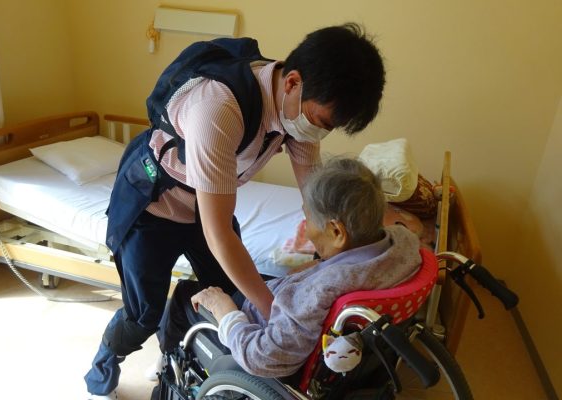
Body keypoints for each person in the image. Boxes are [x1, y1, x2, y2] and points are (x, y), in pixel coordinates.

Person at [85, 23, 385, 399]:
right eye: (322, 123)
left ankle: (173, 355)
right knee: (143, 314)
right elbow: (219, 235)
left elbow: (316, 198)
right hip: (153, 209)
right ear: (292, 82)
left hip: (206, 206)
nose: (319, 133)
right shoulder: (218, 108)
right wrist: (277, 312)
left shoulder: (297, 115)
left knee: (232, 293)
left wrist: (344, 254)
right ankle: (102, 369)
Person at [160, 157, 422, 378]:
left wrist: (226, 312)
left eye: (308, 218)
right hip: (292, 311)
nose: (306, 230)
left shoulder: (320, 291)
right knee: (237, 284)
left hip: (255, 339)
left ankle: (168, 373)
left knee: (184, 295)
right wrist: (318, 265)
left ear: (336, 232)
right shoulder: (403, 246)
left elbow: (264, 356)